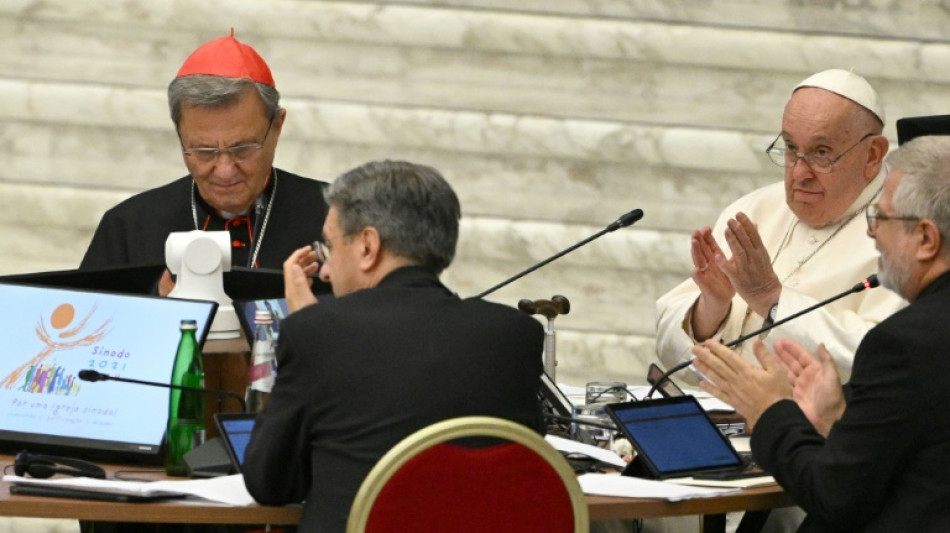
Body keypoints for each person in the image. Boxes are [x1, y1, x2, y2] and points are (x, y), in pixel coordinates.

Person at [241, 160, 545, 533]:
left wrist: (308, 329)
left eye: (330, 247)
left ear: (368, 246)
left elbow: (268, 482)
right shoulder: (515, 335)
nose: (324, 270)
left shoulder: (317, 334)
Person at [692, 135, 950, 532]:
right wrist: (835, 419)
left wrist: (770, 412)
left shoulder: (904, 345)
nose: (871, 234)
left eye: (881, 218)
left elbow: (834, 496)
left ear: (927, 240)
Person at [655, 69, 906, 384]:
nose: (800, 173)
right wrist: (711, 309)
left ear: (873, 154)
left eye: (821, 153)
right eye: (790, 148)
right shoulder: (752, 211)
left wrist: (772, 299)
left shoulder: (907, 236)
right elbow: (668, 346)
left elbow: (886, 360)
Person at [80, 31, 329, 295]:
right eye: (204, 151)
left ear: (277, 127)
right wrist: (158, 304)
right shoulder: (128, 226)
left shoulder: (337, 218)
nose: (224, 170)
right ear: (180, 137)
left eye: (243, 148)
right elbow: (89, 326)